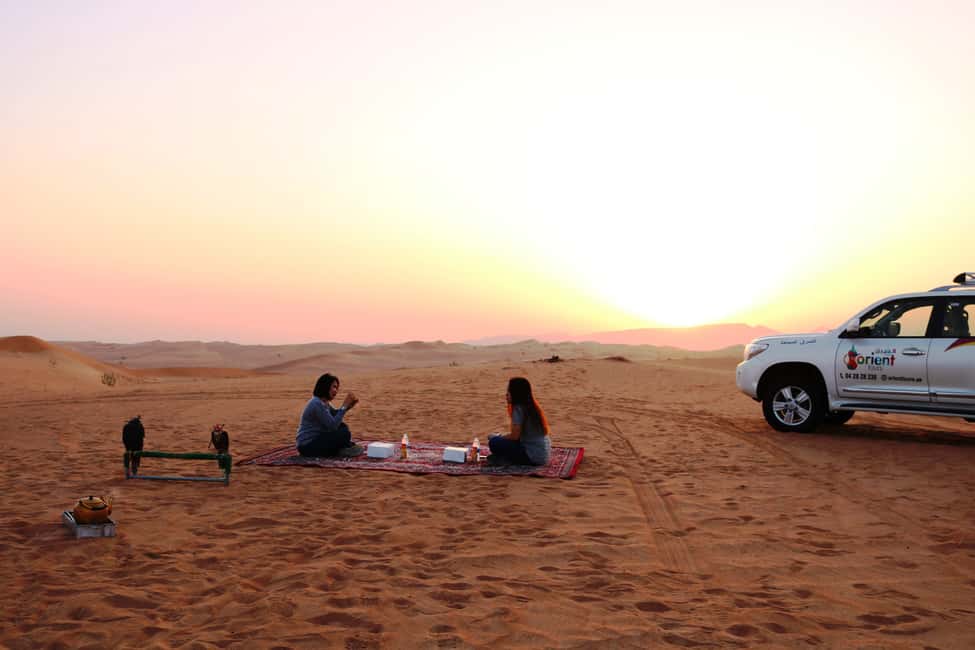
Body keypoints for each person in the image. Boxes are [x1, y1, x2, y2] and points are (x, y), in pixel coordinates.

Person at [296, 373, 363, 457]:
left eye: (337, 388)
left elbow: (335, 415)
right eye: (334, 387)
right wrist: (344, 406)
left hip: (316, 440)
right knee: (344, 433)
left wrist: (347, 407)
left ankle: (340, 449)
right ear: (326, 386)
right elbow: (333, 426)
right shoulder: (316, 403)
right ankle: (340, 450)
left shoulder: (324, 402)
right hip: (307, 445)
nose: (336, 391)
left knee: (342, 427)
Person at [488, 377, 551, 466]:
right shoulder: (531, 406)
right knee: (499, 441)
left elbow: (515, 436)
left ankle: (507, 460)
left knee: (494, 442)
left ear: (516, 393)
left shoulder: (518, 408)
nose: (506, 394)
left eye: (509, 391)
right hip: (542, 454)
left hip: (533, 456)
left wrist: (498, 437)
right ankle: (505, 458)